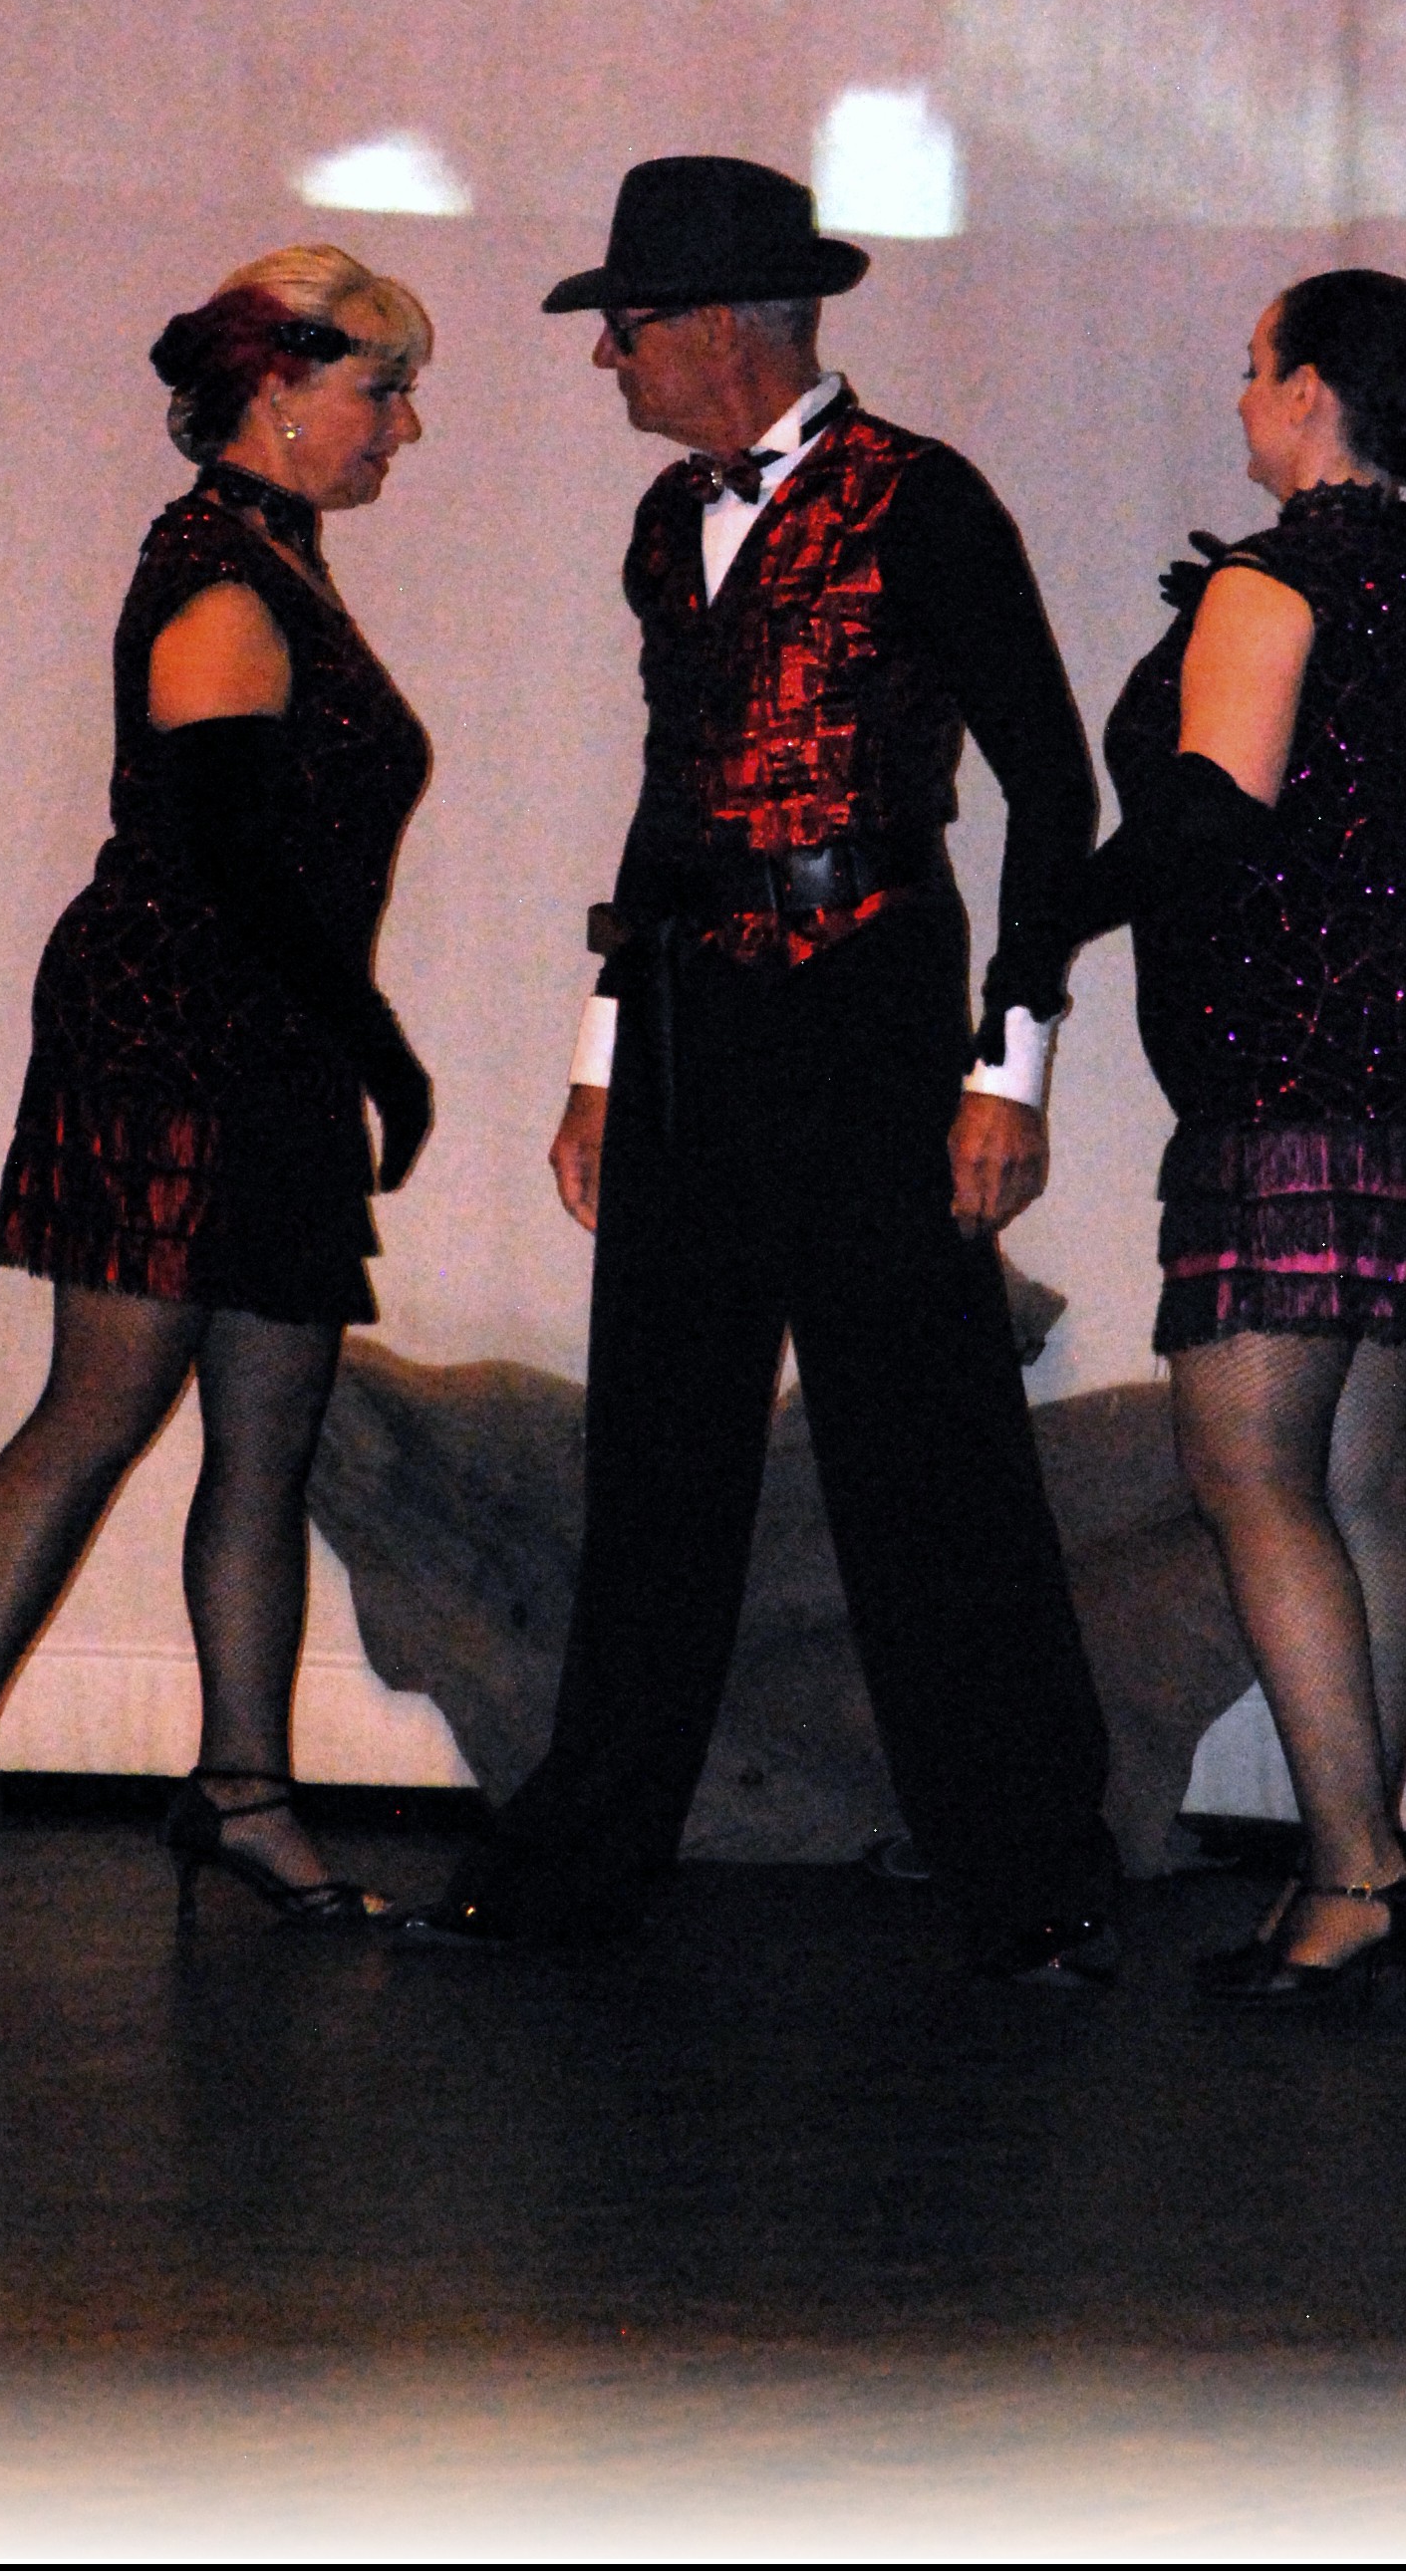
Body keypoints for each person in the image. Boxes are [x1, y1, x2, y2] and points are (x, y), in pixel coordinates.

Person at [400, 154, 1119, 1983]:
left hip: (872, 1004)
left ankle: (1032, 1871)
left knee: (925, 1449)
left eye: (627, 325)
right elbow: (673, 795)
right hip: (690, 1015)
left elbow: (1054, 784)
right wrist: (598, 1053)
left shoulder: (922, 500)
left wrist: (1011, 1060)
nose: (609, 359)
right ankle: (584, 1853)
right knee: (658, 1449)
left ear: (723, 325)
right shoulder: (669, 526)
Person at [0, 246, 435, 1930]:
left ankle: (244, 1791)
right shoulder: (217, 578)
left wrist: (350, 1049)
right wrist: (383, 1048)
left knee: (267, 1432)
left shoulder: (276, 560)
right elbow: (234, 867)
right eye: (383, 390)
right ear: (280, 392)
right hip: (168, 1045)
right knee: (101, 1409)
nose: (404, 428)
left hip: (265, 1041)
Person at [1076, 267, 1406, 2004]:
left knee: (1255, 1471)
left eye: (1255, 364)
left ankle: (1353, 1878)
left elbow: (1206, 812)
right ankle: (1359, 1866)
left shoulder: (1273, 580)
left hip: (1292, 1074)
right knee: (1360, 1474)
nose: (1240, 392)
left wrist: (1043, 926)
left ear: (1312, 386)